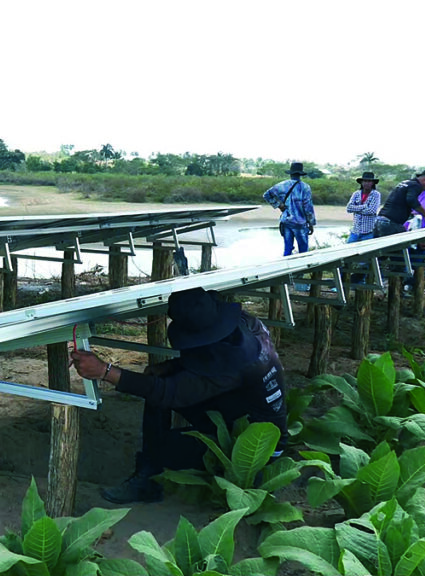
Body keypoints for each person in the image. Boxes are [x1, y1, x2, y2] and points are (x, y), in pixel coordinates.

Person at [68, 287, 287, 504]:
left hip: (255, 450)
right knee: (161, 381)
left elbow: (167, 392)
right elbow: (212, 355)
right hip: (248, 415)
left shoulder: (232, 370)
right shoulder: (247, 324)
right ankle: (152, 467)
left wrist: (105, 371)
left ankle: (149, 479)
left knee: (163, 445)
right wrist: (171, 366)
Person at [264, 162, 316, 256]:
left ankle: (286, 265)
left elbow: (266, 195)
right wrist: (311, 223)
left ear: (291, 173)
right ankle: (301, 266)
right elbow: (308, 208)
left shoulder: (282, 185)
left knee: (287, 250)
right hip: (300, 224)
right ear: (300, 174)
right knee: (303, 252)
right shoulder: (305, 187)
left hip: (286, 222)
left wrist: (278, 205)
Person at [373, 169, 425, 237]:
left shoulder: (406, 183)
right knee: (403, 242)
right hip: (391, 223)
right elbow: (411, 200)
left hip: (380, 220)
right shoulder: (415, 185)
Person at [346, 171, 381, 242]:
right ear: (361, 182)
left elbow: (371, 211)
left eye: (369, 181)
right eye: (365, 181)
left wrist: (356, 209)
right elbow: (349, 208)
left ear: (372, 183)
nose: (366, 183)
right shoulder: (356, 194)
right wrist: (364, 206)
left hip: (368, 232)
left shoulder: (376, 194)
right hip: (355, 231)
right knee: (348, 248)